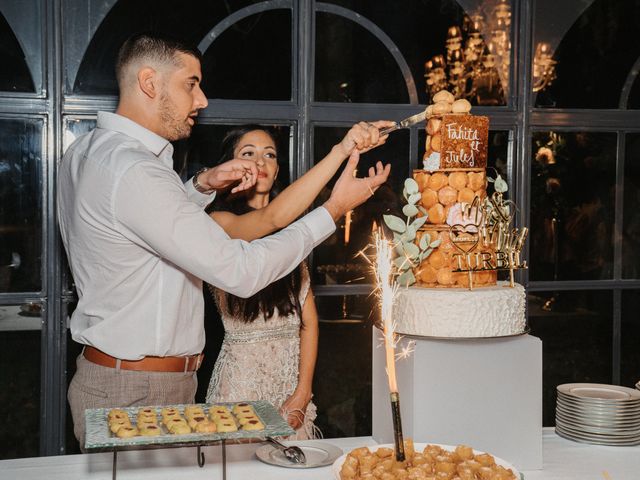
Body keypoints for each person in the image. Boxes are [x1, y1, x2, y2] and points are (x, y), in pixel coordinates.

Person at [57, 31, 392, 446]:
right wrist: (334, 209)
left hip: (123, 378)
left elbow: (136, 226)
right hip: (138, 393)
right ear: (149, 82)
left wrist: (199, 186)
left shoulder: (87, 152)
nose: (201, 101)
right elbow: (242, 270)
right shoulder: (136, 171)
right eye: (191, 85)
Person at [204, 125, 365, 439]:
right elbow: (268, 220)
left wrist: (303, 392)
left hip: (289, 386)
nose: (260, 162)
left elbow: (309, 322)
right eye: (247, 154)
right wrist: (336, 191)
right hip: (240, 383)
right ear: (228, 167)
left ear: (277, 170)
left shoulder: (291, 234)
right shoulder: (218, 222)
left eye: (269, 155)